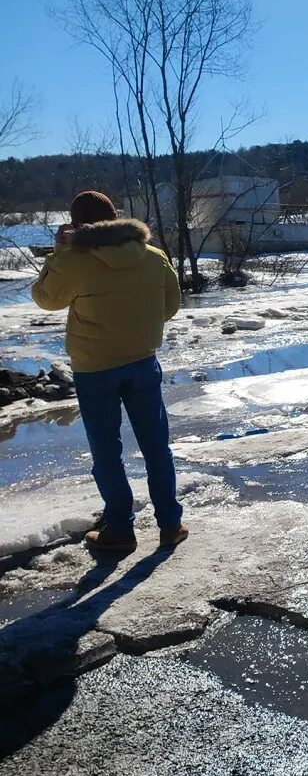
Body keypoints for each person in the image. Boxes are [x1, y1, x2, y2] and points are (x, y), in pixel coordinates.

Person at [32, 190, 188, 552]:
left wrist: (59, 253)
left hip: (95, 367)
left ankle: (120, 529)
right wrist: (137, 324)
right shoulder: (154, 256)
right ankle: (170, 524)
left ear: (75, 224)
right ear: (116, 217)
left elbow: (46, 298)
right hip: (143, 362)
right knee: (156, 447)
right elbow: (170, 305)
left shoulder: (74, 261)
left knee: (107, 451)